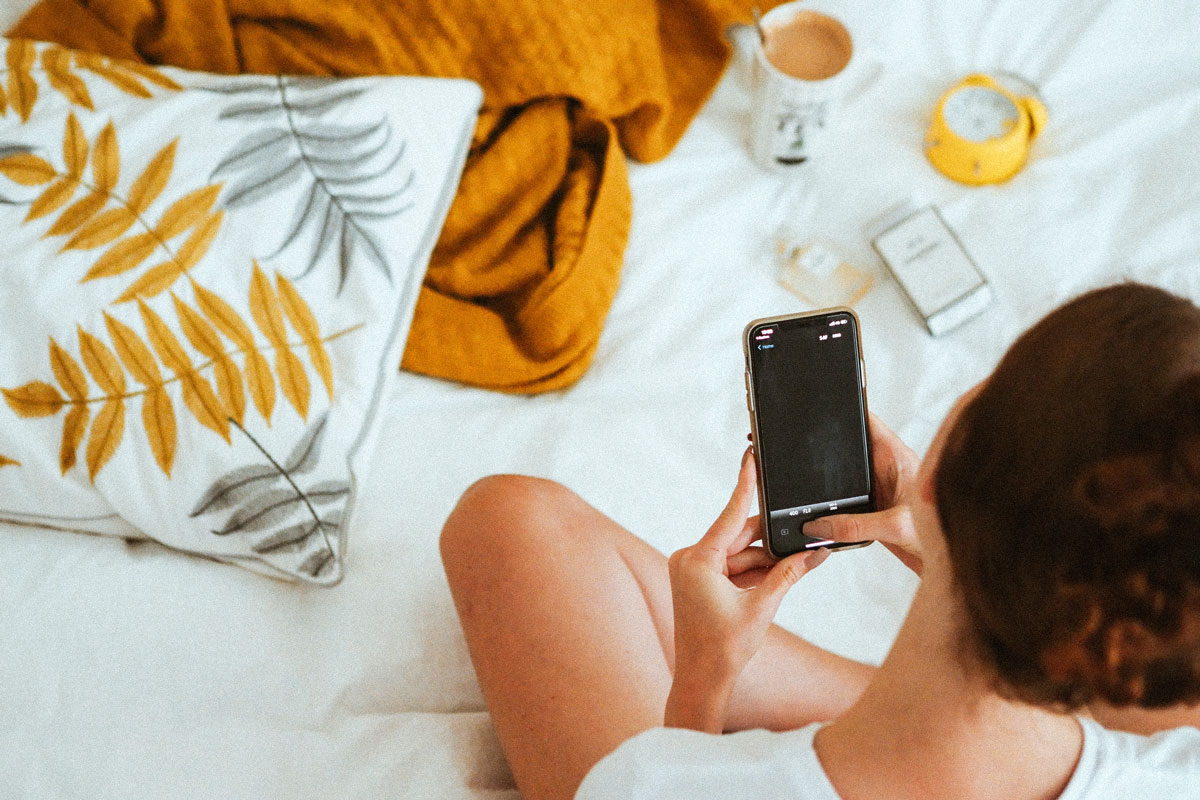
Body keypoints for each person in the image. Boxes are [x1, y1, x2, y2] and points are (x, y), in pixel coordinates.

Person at [439, 283, 1200, 800]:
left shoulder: (661, 784)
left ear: (936, 472)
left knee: (505, 521)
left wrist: (704, 684)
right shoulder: (1170, 766)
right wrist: (960, 549)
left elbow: (667, 783)